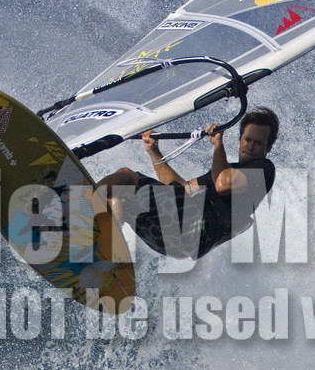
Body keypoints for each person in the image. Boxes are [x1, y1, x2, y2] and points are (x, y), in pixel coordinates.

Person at [95, 107, 278, 260]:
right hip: (176, 244)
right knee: (118, 199)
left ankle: (84, 203)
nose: (251, 146)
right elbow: (181, 190)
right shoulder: (223, 171)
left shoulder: (263, 169)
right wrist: (154, 152)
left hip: (195, 229)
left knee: (126, 177)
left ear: (268, 147)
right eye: (247, 140)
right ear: (239, 140)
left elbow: (222, 183)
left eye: (258, 143)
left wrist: (217, 144)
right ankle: (105, 251)